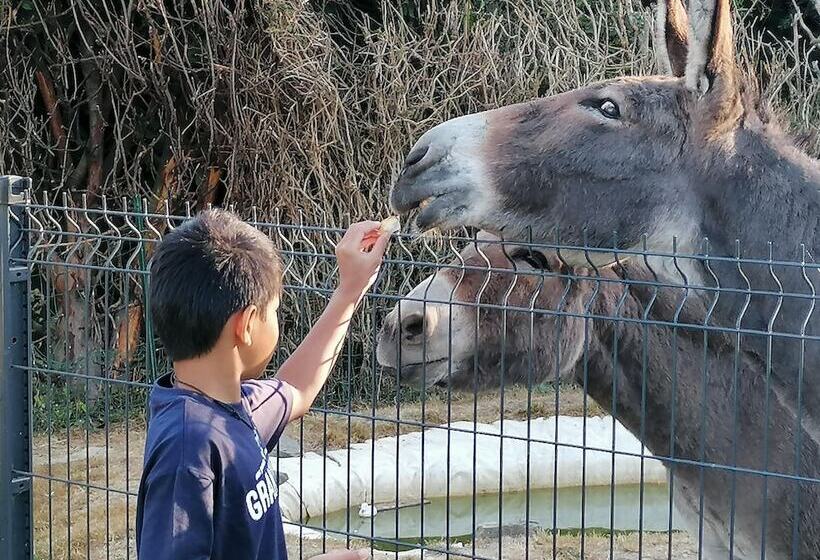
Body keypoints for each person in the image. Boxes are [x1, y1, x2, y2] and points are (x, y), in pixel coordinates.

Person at [135, 208, 391, 559]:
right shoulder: (187, 450)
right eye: (274, 312)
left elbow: (297, 389)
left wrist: (351, 290)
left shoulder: (235, 407)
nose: (276, 322)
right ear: (247, 325)